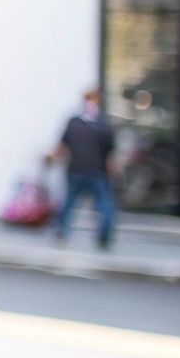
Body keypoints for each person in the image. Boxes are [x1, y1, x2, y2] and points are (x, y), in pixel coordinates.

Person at [46, 88, 118, 250]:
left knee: (70, 203)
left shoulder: (75, 123)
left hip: (77, 171)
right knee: (102, 204)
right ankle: (103, 237)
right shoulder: (102, 126)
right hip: (94, 172)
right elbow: (110, 156)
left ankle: (62, 231)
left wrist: (52, 158)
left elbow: (61, 147)